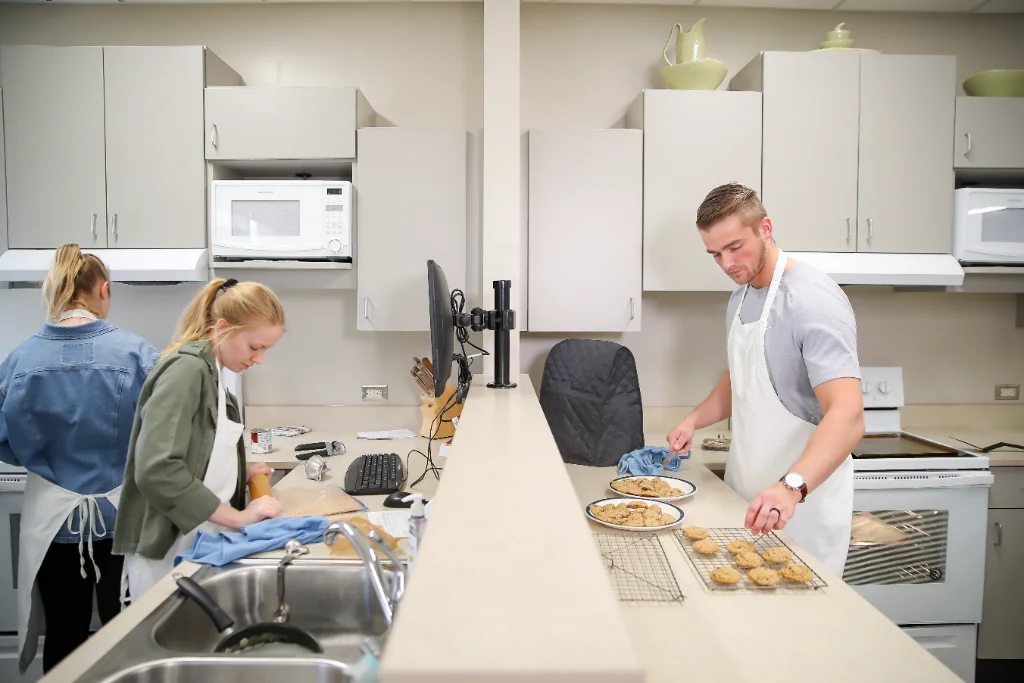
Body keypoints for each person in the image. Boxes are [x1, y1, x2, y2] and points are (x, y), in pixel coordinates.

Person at [666, 184, 865, 576]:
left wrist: (790, 488)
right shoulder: (741, 297)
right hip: (747, 497)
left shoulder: (813, 300)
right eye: (715, 254)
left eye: (735, 247)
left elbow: (849, 415)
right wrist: (693, 420)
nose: (726, 264)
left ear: (765, 228)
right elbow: (742, 377)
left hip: (800, 508)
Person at [0, 245, 159, 674]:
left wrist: (45, 461)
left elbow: (4, 442)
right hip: (123, 519)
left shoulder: (19, 361)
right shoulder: (138, 356)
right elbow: (162, 435)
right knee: (125, 633)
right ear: (103, 290)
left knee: (65, 635)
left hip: (53, 523)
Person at [113, 278, 285, 601]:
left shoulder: (217, 378)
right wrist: (239, 517)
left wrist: (239, 472)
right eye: (255, 346)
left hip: (199, 545)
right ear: (223, 327)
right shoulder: (186, 370)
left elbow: (198, 453)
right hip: (168, 555)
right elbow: (157, 470)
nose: (259, 359)